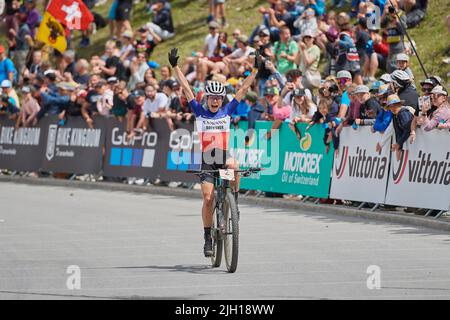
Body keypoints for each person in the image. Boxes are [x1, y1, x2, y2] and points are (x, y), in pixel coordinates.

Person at [168, 47, 260, 257]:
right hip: (207, 160)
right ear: (207, 98)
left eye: (219, 98)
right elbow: (186, 87)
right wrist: (174, 66)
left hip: (223, 157)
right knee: (208, 198)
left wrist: (255, 70)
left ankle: (234, 202)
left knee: (234, 166)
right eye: (212, 98)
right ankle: (207, 237)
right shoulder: (199, 111)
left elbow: (243, 89)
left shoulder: (227, 111)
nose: (216, 101)